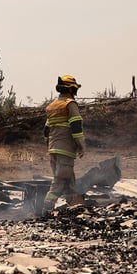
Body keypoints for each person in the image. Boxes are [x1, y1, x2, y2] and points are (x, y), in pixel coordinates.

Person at [42, 74, 86, 214]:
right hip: (65, 150)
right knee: (59, 182)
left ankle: (74, 209)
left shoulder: (52, 106)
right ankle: (46, 209)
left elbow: (46, 130)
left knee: (70, 181)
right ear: (71, 89)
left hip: (54, 150)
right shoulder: (69, 104)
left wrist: (50, 146)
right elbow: (76, 127)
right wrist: (81, 146)